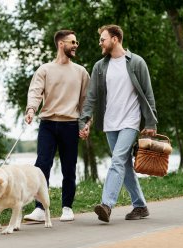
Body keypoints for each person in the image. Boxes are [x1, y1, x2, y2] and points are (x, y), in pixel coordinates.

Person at [79, 24, 157, 222]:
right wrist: (85, 120)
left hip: (131, 121)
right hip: (110, 123)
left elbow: (148, 94)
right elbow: (92, 97)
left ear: (115, 39)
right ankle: (140, 206)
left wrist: (151, 123)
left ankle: (107, 204)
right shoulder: (100, 66)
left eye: (102, 39)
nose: (100, 43)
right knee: (124, 165)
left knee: (117, 160)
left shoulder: (136, 62)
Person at [23, 30, 90, 222]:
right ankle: (39, 209)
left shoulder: (81, 72)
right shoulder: (44, 69)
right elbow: (35, 92)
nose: (76, 45)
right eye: (72, 42)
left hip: (70, 124)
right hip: (48, 125)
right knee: (42, 165)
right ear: (61, 44)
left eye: (76, 42)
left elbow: (86, 102)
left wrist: (86, 123)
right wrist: (31, 110)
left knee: (69, 167)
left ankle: (67, 207)